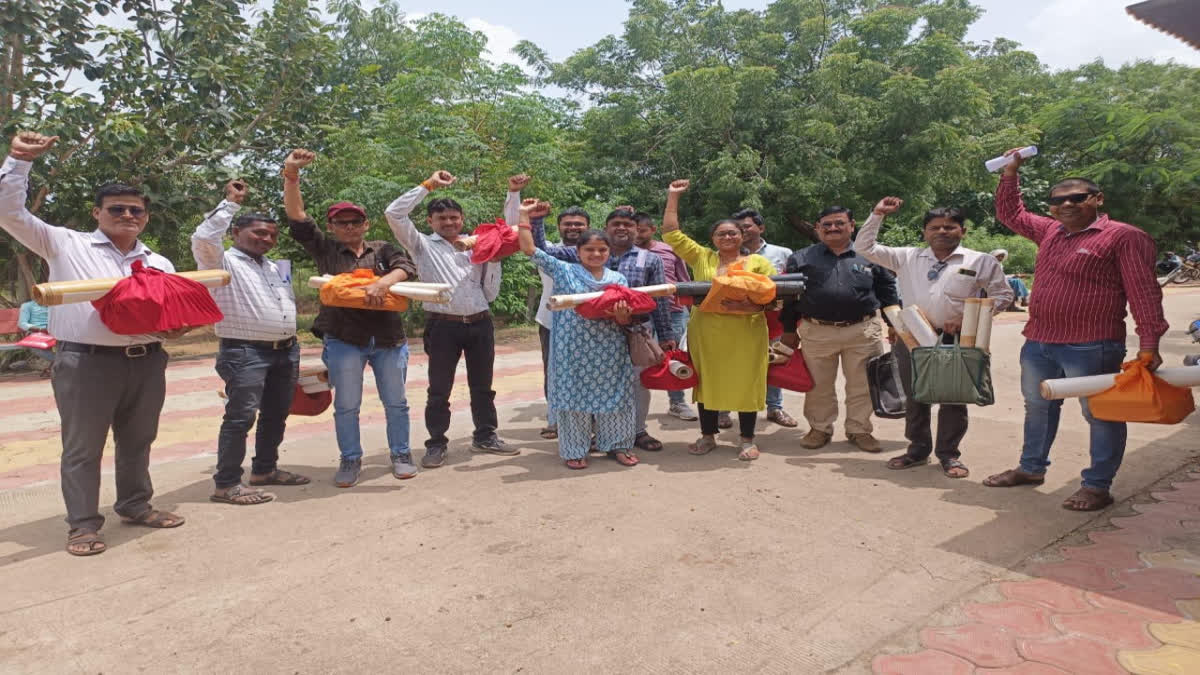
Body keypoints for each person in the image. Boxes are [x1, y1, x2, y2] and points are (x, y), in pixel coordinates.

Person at [0, 130, 185, 556]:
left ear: (145, 217)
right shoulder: (64, 243)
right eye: (116, 208)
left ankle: (136, 505)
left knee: (138, 440)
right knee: (83, 447)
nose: (126, 214)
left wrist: (175, 328)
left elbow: (166, 313)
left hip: (147, 361)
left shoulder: (157, 262)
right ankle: (83, 525)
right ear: (96, 213)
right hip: (86, 364)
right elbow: (9, 212)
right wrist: (20, 161)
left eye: (135, 210)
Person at [984, 148, 1168, 511]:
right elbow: (1010, 213)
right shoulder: (1051, 231)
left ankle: (1098, 485)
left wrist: (1149, 343)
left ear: (1097, 199)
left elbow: (1144, 292)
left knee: (1101, 414)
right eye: (1057, 201)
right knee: (1037, 408)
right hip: (1039, 342)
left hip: (1092, 345)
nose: (1065, 205)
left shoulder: (1123, 237)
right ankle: (1031, 469)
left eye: (1076, 198)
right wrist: (1010, 174)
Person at [282, 150, 420, 487]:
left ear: (365, 225)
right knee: (346, 404)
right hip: (344, 339)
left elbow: (408, 268)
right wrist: (291, 174)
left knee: (396, 402)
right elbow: (298, 216)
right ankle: (350, 459)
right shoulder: (326, 250)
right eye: (341, 222)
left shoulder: (383, 249)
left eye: (355, 221)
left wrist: (383, 281)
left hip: (388, 338)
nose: (349, 226)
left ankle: (401, 454)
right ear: (332, 226)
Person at [855, 198, 1013, 478]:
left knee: (953, 397)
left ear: (962, 231)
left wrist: (967, 318)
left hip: (959, 340)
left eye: (950, 227)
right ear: (925, 232)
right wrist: (877, 214)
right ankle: (917, 450)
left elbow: (1003, 296)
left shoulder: (980, 261)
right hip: (912, 338)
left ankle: (949, 455)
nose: (942, 232)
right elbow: (864, 247)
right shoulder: (907, 256)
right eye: (935, 227)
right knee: (916, 394)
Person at [385, 170, 520, 468]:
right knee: (439, 388)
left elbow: (510, 232)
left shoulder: (479, 244)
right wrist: (428, 186)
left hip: (481, 322)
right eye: (441, 218)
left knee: (483, 386)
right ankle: (436, 443)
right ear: (430, 222)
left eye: (454, 218)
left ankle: (485, 435)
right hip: (442, 325)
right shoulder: (421, 245)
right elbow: (394, 213)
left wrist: (513, 194)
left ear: (461, 219)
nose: (449, 223)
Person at [192, 179, 309, 505]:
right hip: (244, 351)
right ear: (235, 233)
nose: (267, 239)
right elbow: (203, 237)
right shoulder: (221, 262)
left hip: (286, 350)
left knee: (276, 413)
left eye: (272, 234)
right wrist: (230, 203)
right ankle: (226, 484)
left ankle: (264, 470)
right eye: (258, 233)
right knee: (241, 417)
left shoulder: (277, 266)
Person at [531, 204, 676, 454]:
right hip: (583, 334)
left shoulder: (648, 258)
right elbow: (539, 250)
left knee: (632, 386)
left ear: (636, 230)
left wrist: (665, 335)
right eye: (615, 224)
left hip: (634, 331)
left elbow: (660, 300)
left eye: (628, 224)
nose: (622, 228)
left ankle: (635, 432)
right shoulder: (573, 258)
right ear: (605, 229)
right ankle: (586, 438)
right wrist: (532, 218)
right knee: (585, 384)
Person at [518, 199, 639, 469]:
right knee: (573, 400)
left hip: (609, 349)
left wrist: (622, 315)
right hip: (571, 348)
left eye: (601, 250)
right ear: (579, 251)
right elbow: (528, 248)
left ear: (609, 252)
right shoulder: (563, 270)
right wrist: (523, 214)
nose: (595, 254)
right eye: (589, 250)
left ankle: (618, 445)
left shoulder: (618, 280)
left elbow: (625, 318)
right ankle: (574, 449)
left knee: (616, 396)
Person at [661, 179, 774, 460]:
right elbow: (671, 234)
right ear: (713, 239)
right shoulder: (702, 257)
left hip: (747, 332)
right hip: (707, 332)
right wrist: (673, 196)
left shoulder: (759, 263)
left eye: (733, 233)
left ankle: (747, 439)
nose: (727, 237)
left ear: (742, 236)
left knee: (748, 382)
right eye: (721, 234)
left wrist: (746, 303)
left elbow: (773, 296)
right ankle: (708, 435)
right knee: (708, 381)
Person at [780, 205, 899, 452]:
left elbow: (888, 292)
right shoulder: (801, 258)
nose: (833, 228)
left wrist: (895, 325)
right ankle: (820, 428)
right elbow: (790, 298)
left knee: (863, 384)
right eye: (826, 224)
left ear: (852, 226)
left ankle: (859, 430)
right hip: (817, 331)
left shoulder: (871, 255)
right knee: (818, 385)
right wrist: (789, 330)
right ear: (817, 228)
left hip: (863, 330)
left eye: (839, 223)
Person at [733, 207, 799, 428]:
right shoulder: (728, 254)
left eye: (747, 226)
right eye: (738, 228)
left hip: (774, 320)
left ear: (761, 227)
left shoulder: (783, 253)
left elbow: (791, 288)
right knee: (733, 363)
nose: (743, 231)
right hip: (738, 320)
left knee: (773, 362)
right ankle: (724, 409)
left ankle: (774, 408)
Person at [532, 204, 590, 439]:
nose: (574, 227)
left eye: (579, 224)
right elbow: (536, 247)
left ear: (588, 227)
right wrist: (535, 219)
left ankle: (590, 420)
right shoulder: (551, 251)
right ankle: (555, 420)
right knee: (554, 372)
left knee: (589, 372)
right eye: (568, 223)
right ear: (559, 227)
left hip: (590, 322)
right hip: (552, 321)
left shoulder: (595, 251)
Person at [634, 211, 699, 421]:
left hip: (673, 310)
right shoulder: (626, 253)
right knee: (640, 357)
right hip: (641, 314)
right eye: (634, 230)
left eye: (642, 230)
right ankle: (635, 403)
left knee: (674, 355)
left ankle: (677, 402)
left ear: (653, 230)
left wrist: (688, 310)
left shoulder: (669, 250)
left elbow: (683, 279)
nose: (638, 234)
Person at [17, 297, 54, 369]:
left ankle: (61, 364)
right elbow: (22, 323)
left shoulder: (55, 305)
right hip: (36, 333)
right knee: (35, 347)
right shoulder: (27, 306)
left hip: (54, 332)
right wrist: (40, 329)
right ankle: (62, 363)